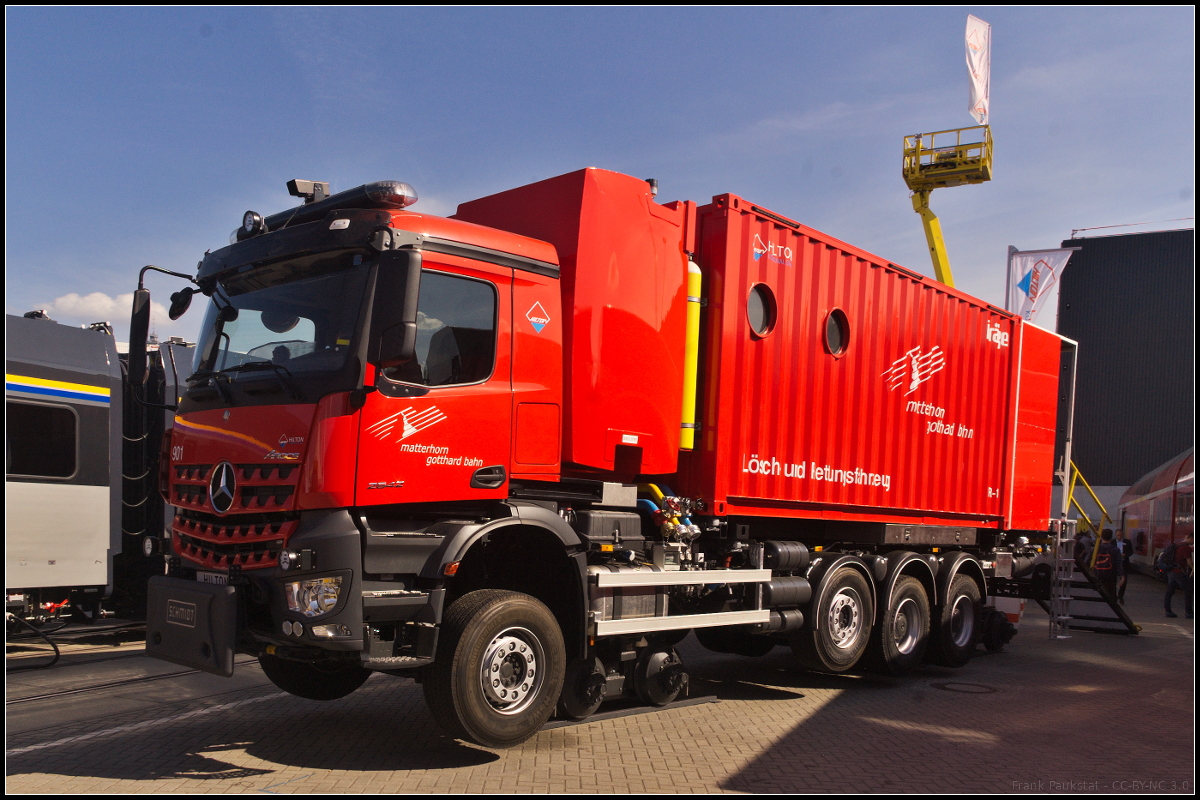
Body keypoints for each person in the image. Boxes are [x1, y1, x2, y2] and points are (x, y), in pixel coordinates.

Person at [1164, 534, 1193, 619]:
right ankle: (1189, 612)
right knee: (1188, 591)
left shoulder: (1177, 544)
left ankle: (1168, 611)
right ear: (1191, 538)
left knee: (1169, 592)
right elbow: (1189, 561)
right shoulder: (1186, 548)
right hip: (1180, 573)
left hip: (1171, 571)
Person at [1092, 529, 1124, 602]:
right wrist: (1122, 576)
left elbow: (1087, 561)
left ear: (1101, 537)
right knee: (1111, 595)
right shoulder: (1115, 550)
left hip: (1097, 574)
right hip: (1111, 576)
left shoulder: (1095, 549)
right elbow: (1119, 564)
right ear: (1111, 537)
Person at [1114, 528, 1134, 604]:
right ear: (1116, 535)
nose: (1119, 537)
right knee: (1113, 580)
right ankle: (1114, 595)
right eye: (1118, 535)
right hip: (1115, 563)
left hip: (1124, 562)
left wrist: (1125, 555)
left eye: (1120, 535)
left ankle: (1120, 595)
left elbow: (1131, 551)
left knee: (1124, 580)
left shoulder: (1127, 542)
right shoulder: (1113, 542)